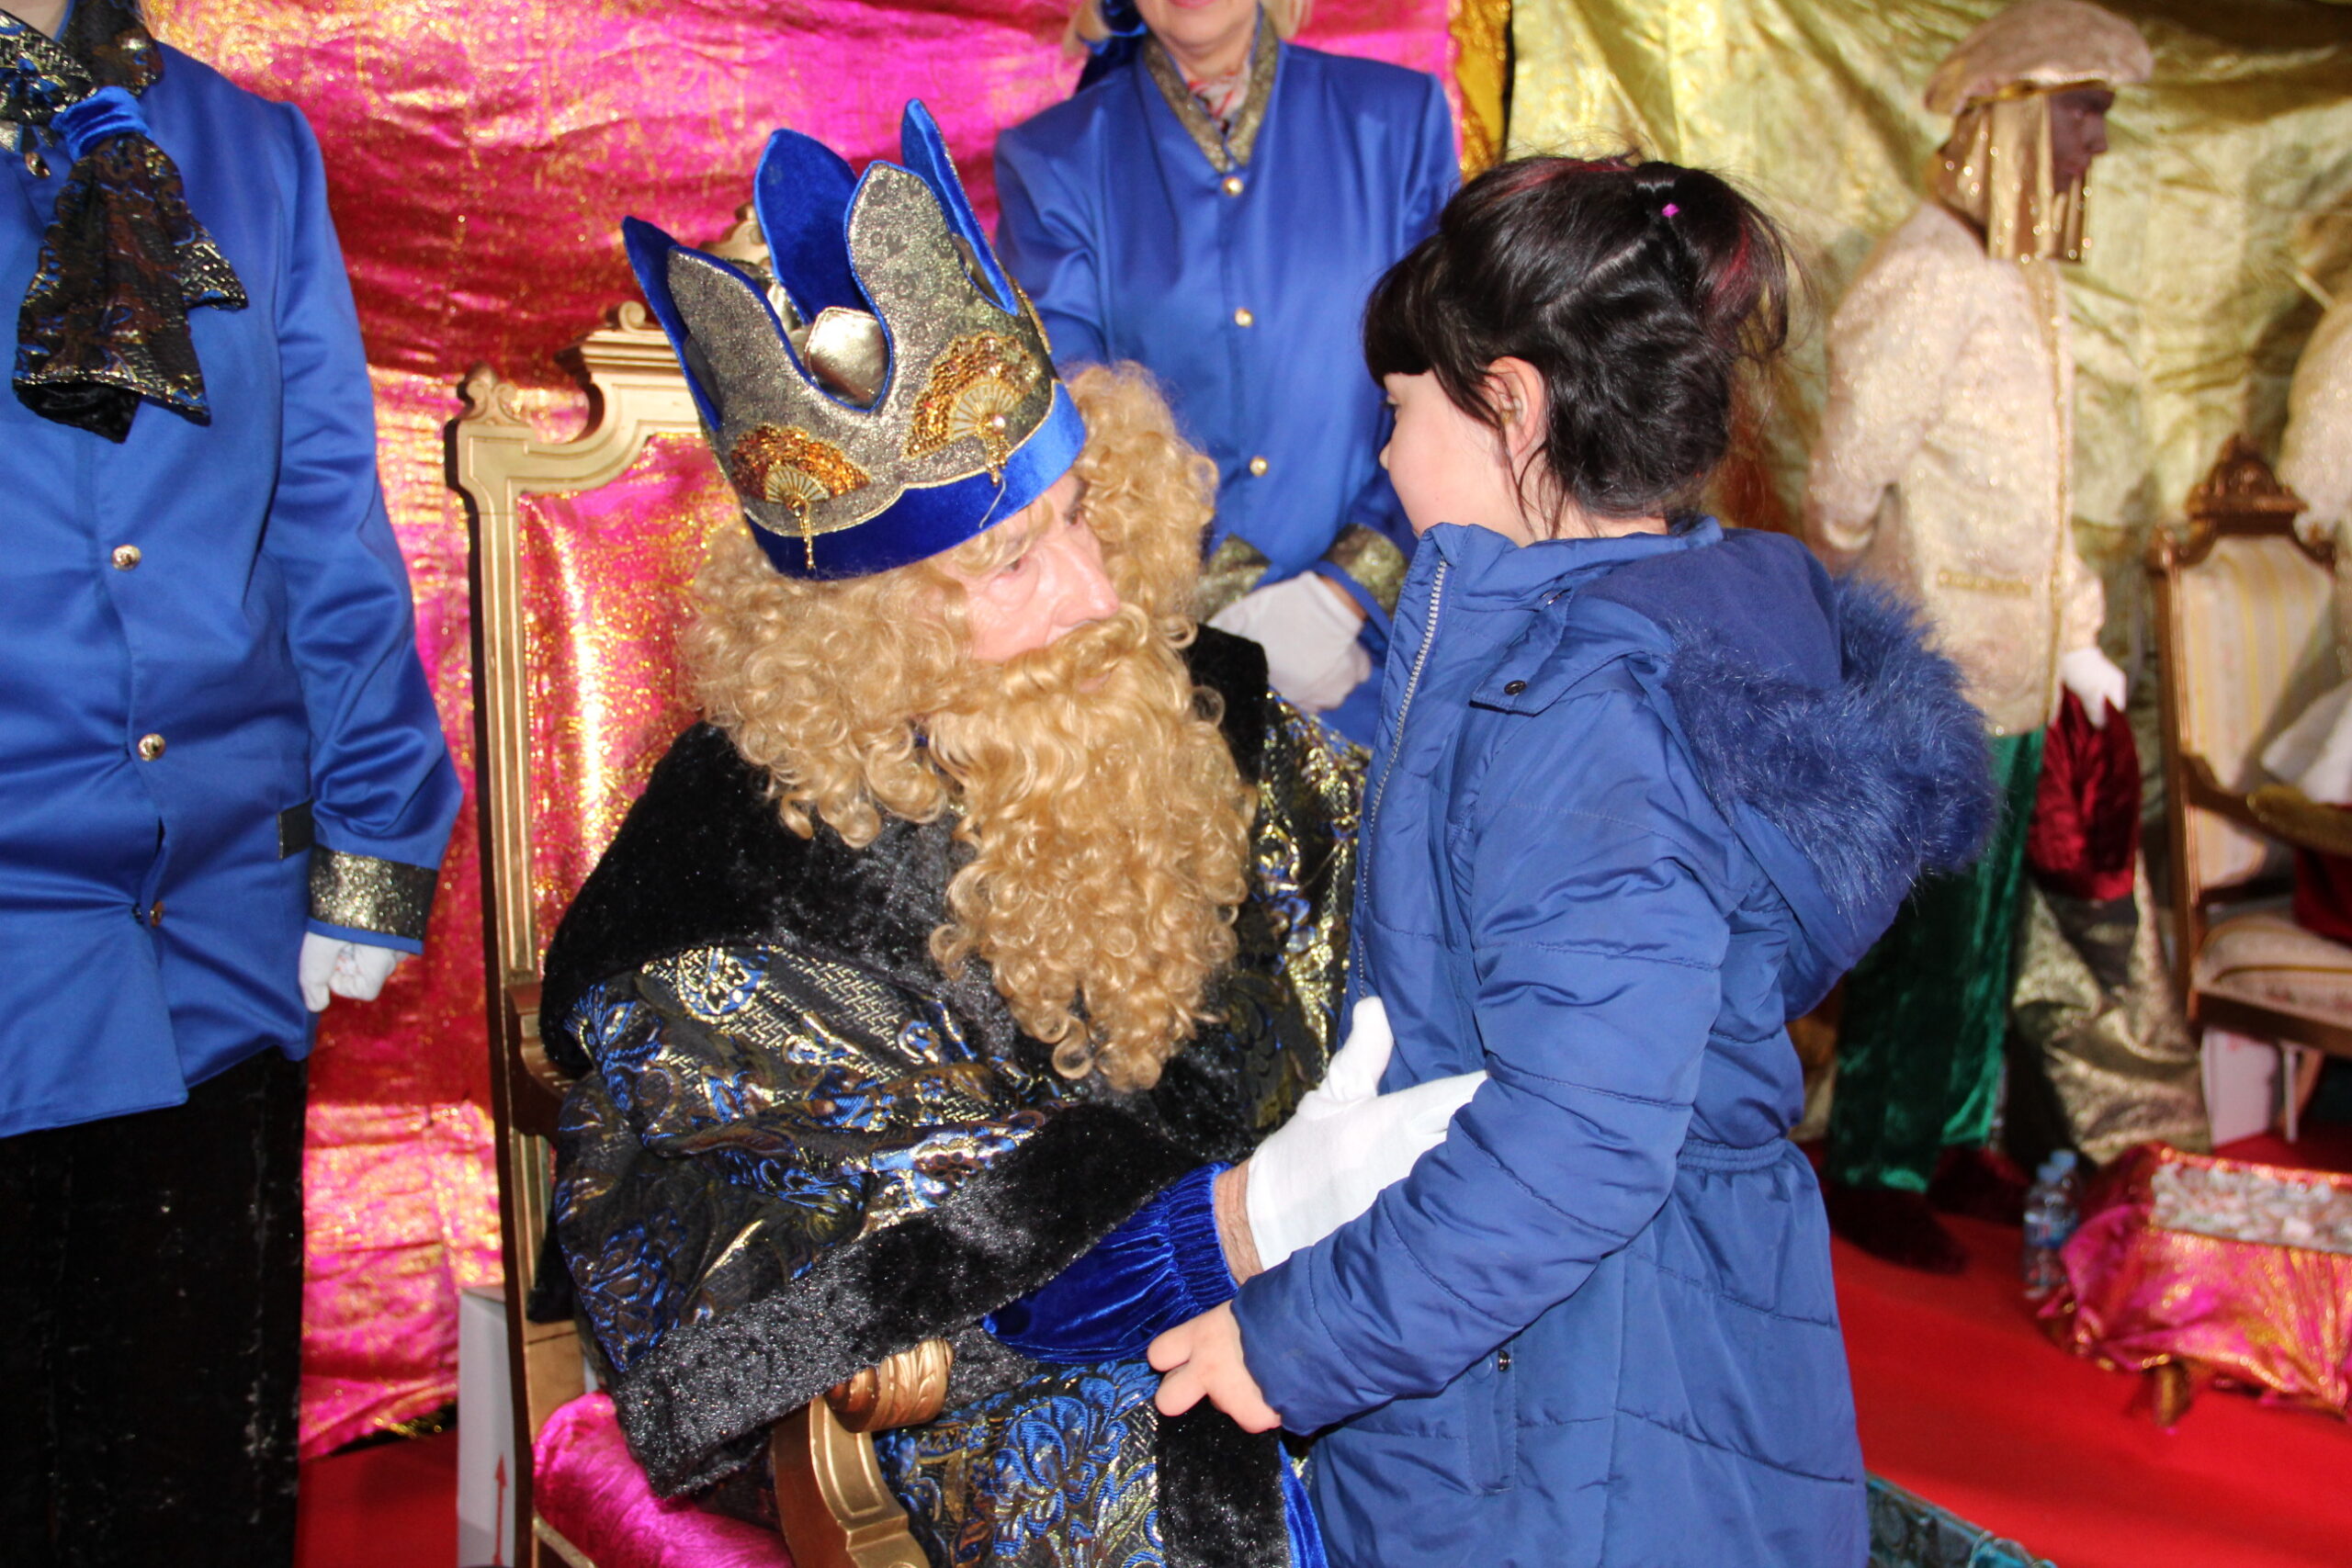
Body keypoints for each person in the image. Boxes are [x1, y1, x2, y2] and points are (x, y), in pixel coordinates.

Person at [550, 104, 1478, 1563]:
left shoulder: (1214, 707)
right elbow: (867, 1276)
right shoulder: (731, 880)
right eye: (1011, 562)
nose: (1097, 592)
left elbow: (1407, 931)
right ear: (870, 627)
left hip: (1340, 1276)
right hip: (1023, 1386)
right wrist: (1243, 1217)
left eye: (1083, 514)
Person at [1148, 154, 1996, 1568]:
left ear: (1513, 405)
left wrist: (1294, 1338)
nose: (1384, 459)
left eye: (1400, 412)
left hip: (1562, 1398)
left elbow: (1582, 1138)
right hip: (1608, 1337)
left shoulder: (1583, 707)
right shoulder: (1647, 634)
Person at [0, 2, 460, 1563]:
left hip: (215, 935)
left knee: (187, 1491)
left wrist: (378, 836)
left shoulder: (251, 151)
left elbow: (325, 512)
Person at [1803, 0, 2154, 1271]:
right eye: (2084, 113)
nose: (2096, 143)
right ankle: (1875, 1157)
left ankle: (1951, 1133)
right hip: (1937, 664)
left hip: (2015, 663)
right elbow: (1844, 481)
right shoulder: (1930, 272)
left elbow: (2038, 487)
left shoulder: (2017, 272)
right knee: (1926, 932)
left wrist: (2078, 632)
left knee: (1988, 924)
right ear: (2014, 117)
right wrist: (1869, 625)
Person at [994, 0, 1457, 741]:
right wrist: (1203, 627)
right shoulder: (1054, 159)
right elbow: (1075, 424)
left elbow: (1451, 387)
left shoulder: (1396, 121)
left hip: (1381, 658)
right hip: (1171, 665)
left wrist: (1346, 592)